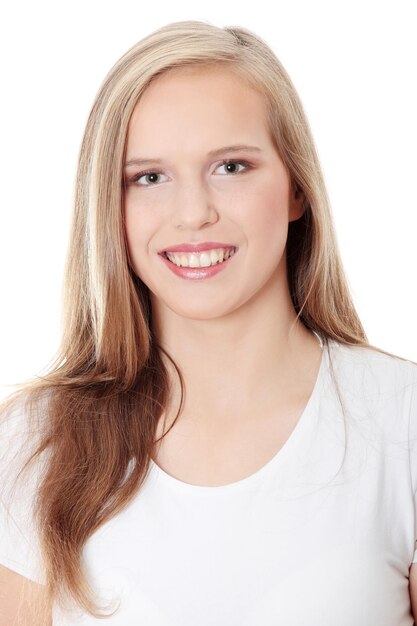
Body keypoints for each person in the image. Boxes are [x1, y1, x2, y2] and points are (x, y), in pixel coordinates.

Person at [0, 19, 416, 626]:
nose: (193, 214)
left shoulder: (403, 423)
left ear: (297, 188)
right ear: (109, 209)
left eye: (231, 167)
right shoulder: (34, 442)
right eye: (148, 178)